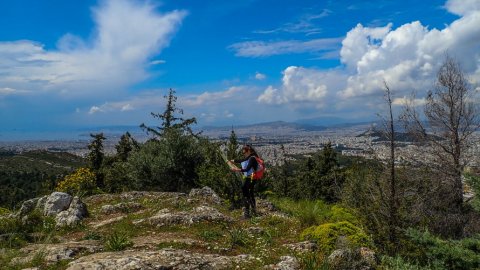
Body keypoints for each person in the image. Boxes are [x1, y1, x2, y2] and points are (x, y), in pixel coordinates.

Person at [229, 144, 259, 219]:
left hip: (250, 178)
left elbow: (247, 169)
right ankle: (253, 210)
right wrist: (233, 161)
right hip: (253, 178)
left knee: (246, 193)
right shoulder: (251, 157)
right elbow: (242, 160)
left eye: (244, 151)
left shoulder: (252, 158)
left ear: (248, 151)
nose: (243, 153)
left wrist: (236, 170)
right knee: (250, 193)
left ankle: (247, 214)